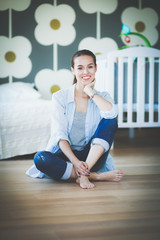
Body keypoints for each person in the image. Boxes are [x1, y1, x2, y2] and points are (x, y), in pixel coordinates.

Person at [26, 49, 123, 189]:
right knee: (40, 159)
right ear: (73, 70)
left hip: (93, 157)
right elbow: (59, 135)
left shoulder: (103, 97)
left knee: (111, 118)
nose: (85, 72)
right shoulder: (60, 97)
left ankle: (84, 174)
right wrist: (76, 162)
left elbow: (111, 113)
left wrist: (90, 91)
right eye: (80, 68)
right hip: (68, 157)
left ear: (96, 68)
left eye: (90, 67)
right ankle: (95, 176)